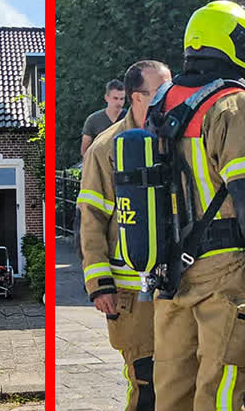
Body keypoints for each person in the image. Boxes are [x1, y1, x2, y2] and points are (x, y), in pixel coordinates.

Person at [146, 1, 245, 411]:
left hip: (169, 269)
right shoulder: (233, 103)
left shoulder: (163, 100)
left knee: (172, 391)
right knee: (223, 389)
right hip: (224, 270)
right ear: (238, 44)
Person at [77, 60, 171, 411]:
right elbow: (92, 219)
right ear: (137, 97)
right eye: (160, 92)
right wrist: (99, 284)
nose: (169, 98)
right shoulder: (107, 148)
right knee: (146, 383)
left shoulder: (175, 139)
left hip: (176, 287)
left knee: (179, 380)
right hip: (129, 294)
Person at [81, 79, 127, 157]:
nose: (119, 102)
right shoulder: (93, 120)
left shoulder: (129, 118)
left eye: (122, 99)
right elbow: (85, 151)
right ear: (106, 98)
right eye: (115, 98)